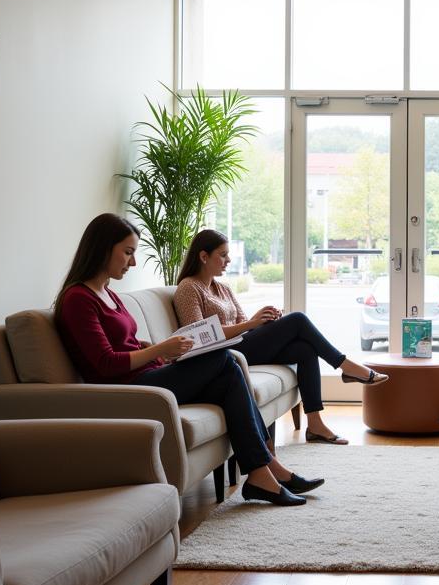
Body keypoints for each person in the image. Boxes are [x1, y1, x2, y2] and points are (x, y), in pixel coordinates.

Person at [55, 213, 322, 506]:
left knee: (229, 377)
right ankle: (268, 468)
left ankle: (263, 472)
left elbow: (124, 343)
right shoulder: (78, 299)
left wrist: (156, 348)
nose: (132, 263)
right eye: (128, 252)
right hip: (131, 387)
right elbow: (105, 364)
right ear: (102, 248)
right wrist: (160, 350)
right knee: (222, 357)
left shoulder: (107, 293)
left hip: (148, 373)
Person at [172, 229, 387, 446]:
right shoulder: (189, 288)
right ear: (203, 256)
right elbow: (198, 336)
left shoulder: (223, 288)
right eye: (223, 254)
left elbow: (242, 323)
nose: (228, 260)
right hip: (221, 356)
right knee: (297, 320)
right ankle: (345, 365)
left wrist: (262, 320)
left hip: (240, 345)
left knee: (305, 349)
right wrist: (252, 324)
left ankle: (315, 424)